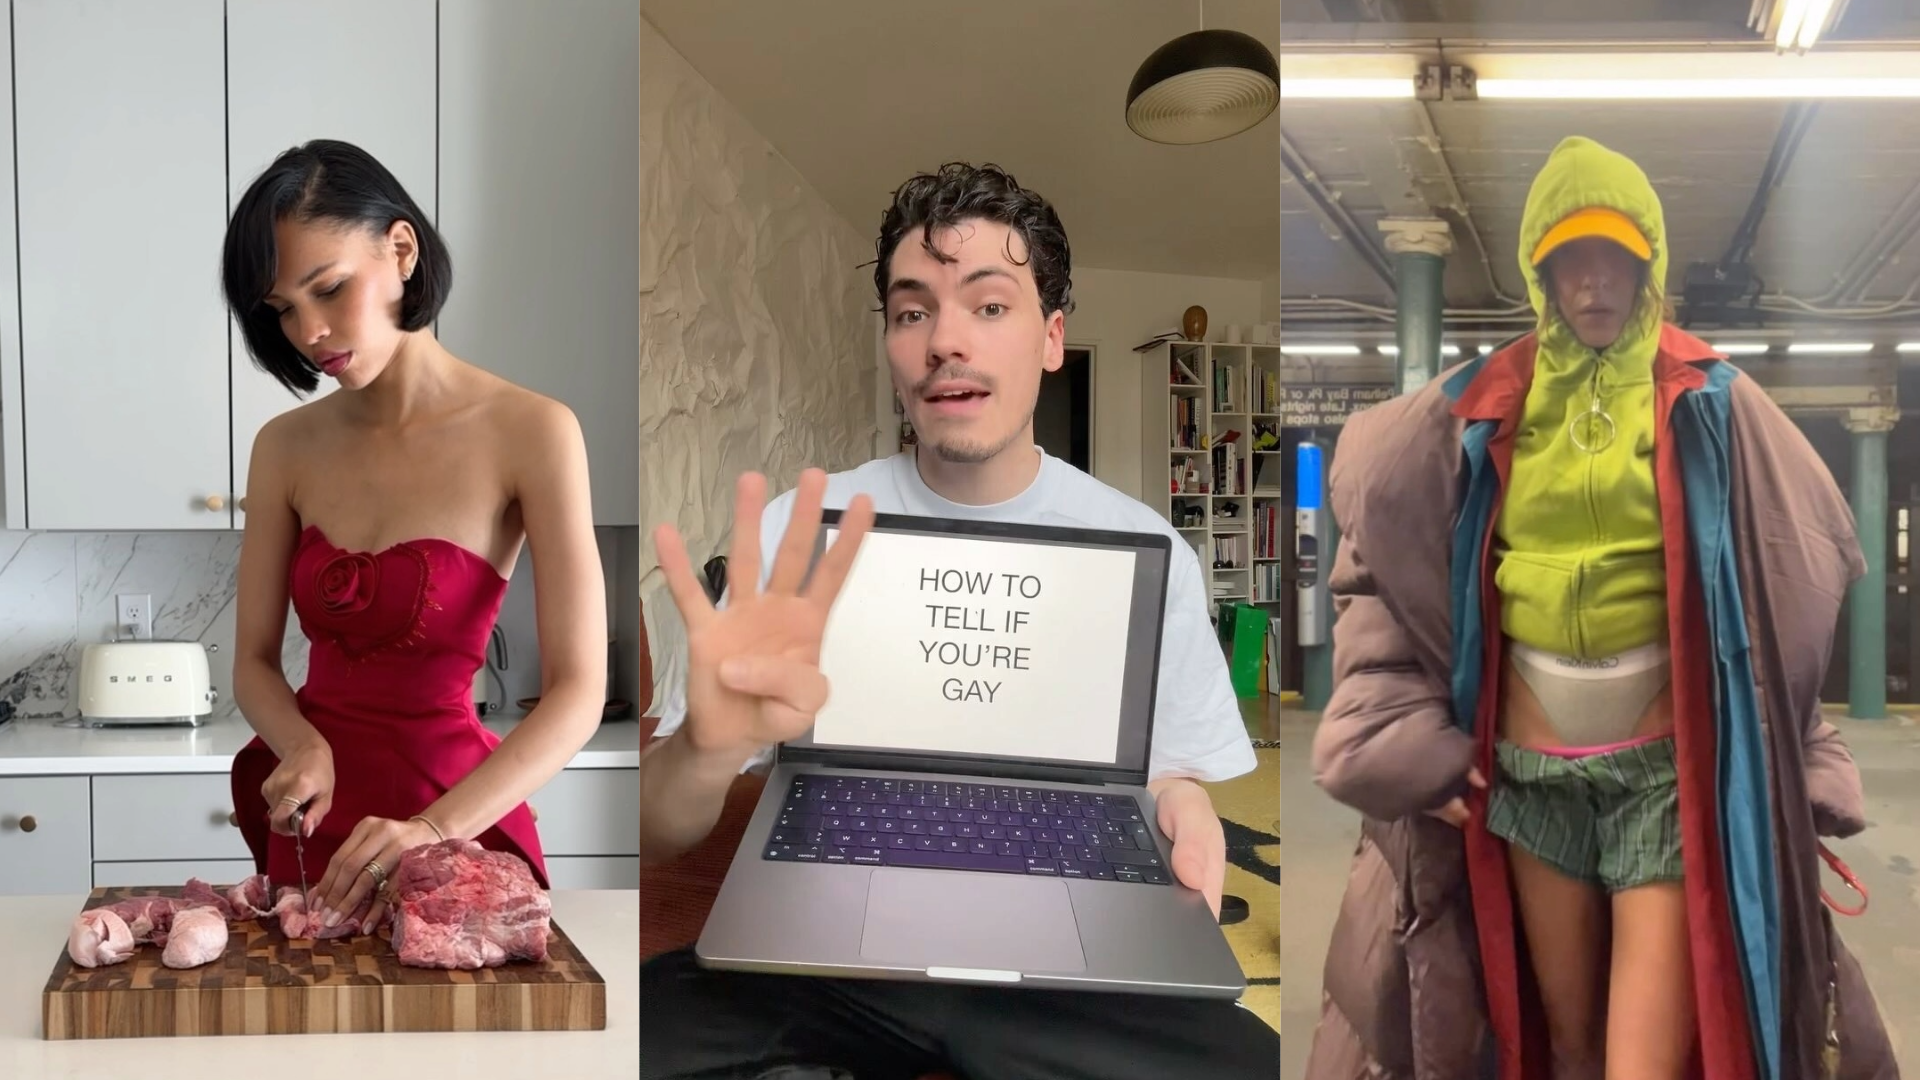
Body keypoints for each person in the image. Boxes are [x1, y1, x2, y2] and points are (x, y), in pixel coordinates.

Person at [642, 162, 1279, 1079]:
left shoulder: (1147, 549)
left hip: (1064, 976)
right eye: (912, 311)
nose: (946, 340)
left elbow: (1173, 770)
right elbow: (660, 829)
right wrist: (703, 747)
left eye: (989, 306)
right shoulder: (795, 531)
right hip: (821, 941)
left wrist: (1180, 801)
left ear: (1052, 337)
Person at [1303, 135, 1897, 1080]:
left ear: (1648, 263)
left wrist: (1794, 749)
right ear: (1539, 274)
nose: (1593, 284)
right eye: (1569, 260)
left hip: (1662, 777)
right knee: (1565, 1040)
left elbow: (1789, 576)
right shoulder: (1479, 409)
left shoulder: (1713, 401)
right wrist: (1401, 734)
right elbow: (1378, 541)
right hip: (1527, 776)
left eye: (1615, 257)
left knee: (1641, 1060)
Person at [221, 139, 607, 929]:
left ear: (401, 250)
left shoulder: (533, 431)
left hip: (457, 821)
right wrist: (301, 744)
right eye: (284, 309)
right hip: (314, 822)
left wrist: (434, 830)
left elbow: (578, 692)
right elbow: (254, 664)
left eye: (328, 288)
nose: (311, 332)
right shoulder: (283, 448)